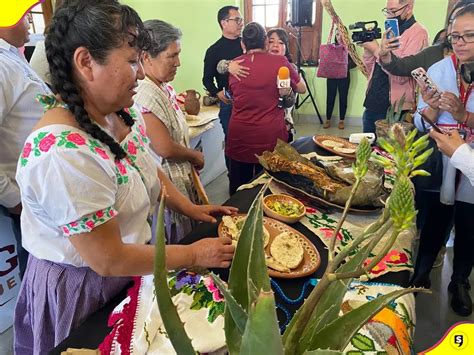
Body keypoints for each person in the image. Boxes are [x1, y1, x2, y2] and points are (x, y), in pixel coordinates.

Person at [13, 2, 237, 353]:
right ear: (86, 62)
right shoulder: (62, 153)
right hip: (86, 289)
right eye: (132, 62)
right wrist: (192, 255)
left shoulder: (120, 111)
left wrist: (192, 211)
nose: (142, 74)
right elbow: (108, 259)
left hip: (128, 270)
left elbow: (150, 171)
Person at [411, 4, 474, 317]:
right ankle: (421, 272)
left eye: (468, 36)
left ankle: (460, 281)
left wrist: (464, 116)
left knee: (469, 226)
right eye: (455, 37)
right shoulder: (438, 71)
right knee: (433, 220)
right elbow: (420, 125)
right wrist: (433, 109)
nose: (460, 43)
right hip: (441, 163)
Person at [134, 19, 205, 243]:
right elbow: (163, 147)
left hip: (175, 179)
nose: (178, 62)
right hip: (165, 187)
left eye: (178, 54)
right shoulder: (145, 91)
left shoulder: (161, 85)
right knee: (177, 245)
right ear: (146, 57)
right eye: (172, 56)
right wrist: (194, 155)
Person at [225, 22, 306, 194]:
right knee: (271, 187)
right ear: (265, 43)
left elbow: (231, 92)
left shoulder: (233, 65)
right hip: (269, 134)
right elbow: (302, 88)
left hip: (239, 134)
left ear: (243, 44)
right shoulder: (280, 63)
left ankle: (237, 217)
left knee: (239, 189)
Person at [0, 14, 51, 277]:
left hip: (39, 193)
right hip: (26, 198)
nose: (29, 21)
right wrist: (13, 198)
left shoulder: (11, 56)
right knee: (41, 272)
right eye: (22, 16)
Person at [361, 0, 428, 133]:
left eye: (393, 11)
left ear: (408, 8)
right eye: (387, 11)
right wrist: (368, 52)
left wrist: (376, 51)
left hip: (395, 110)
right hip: (372, 103)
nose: (389, 16)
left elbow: (402, 75)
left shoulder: (419, 33)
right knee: (368, 151)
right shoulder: (391, 31)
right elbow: (373, 71)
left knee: (389, 152)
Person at [202, 5, 244, 141]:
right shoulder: (214, 50)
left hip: (249, 100)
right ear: (224, 23)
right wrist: (217, 93)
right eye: (237, 20)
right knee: (232, 143)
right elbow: (207, 79)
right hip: (229, 102)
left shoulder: (247, 45)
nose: (241, 24)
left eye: (241, 20)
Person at [323, 28, 356, 130]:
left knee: (343, 98)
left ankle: (342, 120)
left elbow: (355, 62)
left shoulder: (350, 47)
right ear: (335, 36)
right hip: (332, 76)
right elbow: (327, 61)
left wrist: (343, 67)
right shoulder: (331, 47)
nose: (339, 36)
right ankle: (328, 119)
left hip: (344, 77)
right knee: (330, 98)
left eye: (341, 34)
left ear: (345, 35)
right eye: (337, 34)